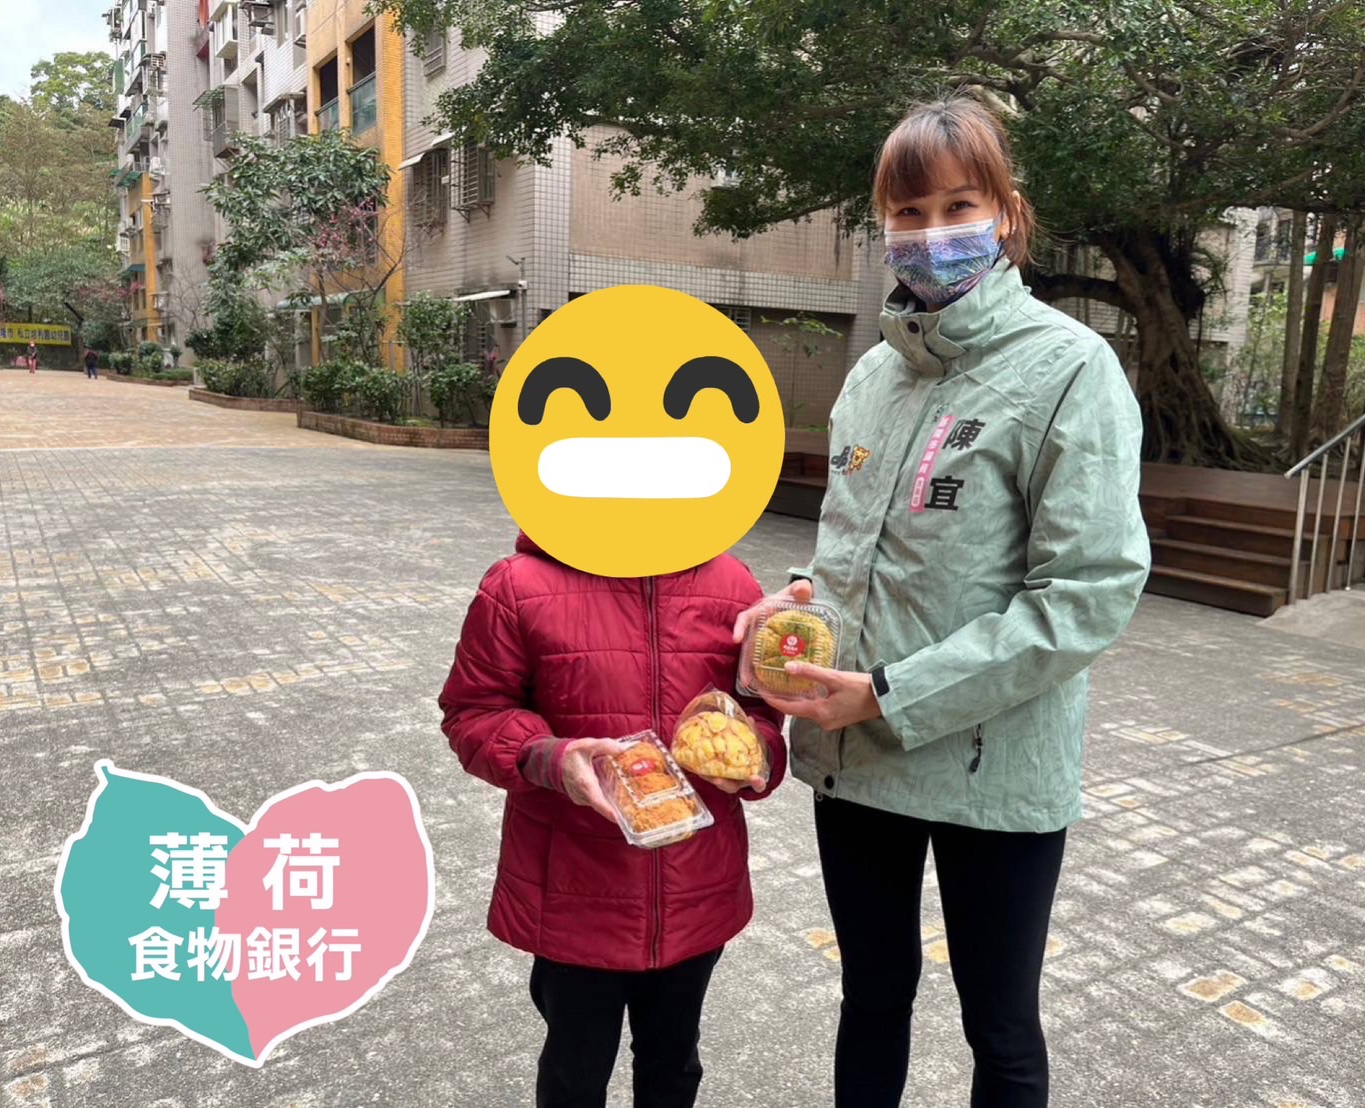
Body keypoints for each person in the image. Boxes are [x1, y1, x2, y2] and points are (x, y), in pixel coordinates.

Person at [734, 93, 1151, 1108]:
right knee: (872, 996)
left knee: (997, 1025)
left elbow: (1088, 592)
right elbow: (855, 550)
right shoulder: (872, 377)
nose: (932, 232)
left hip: (993, 765)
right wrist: (800, 600)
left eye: (959, 205)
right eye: (907, 212)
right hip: (857, 759)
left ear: (1007, 214)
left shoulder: (1070, 368)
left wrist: (887, 692)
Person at [438, 531, 787, 1108]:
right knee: (574, 1073)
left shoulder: (732, 582)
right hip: (575, 891)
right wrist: (549, 758)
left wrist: (760, 755)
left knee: (674, 1064)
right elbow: (474, 710)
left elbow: (758, 706)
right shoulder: (519, 586)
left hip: (695, 884)